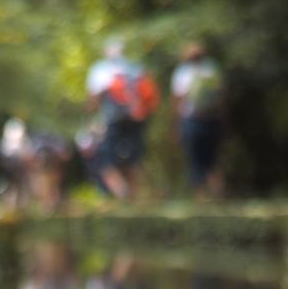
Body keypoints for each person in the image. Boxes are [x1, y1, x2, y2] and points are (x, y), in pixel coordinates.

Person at [85, 39, 158, 200]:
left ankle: (121, 191)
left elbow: (93, 102)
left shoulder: (100, 70)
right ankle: (135, 196)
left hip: (112, 121)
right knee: (133, 158)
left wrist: (91, 113)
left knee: (104, 160)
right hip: (136, 118)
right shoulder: (134, 68)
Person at [171, 42, 225, 198]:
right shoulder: (213, 69)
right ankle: (218, 193)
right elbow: (222, 98)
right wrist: (223, 120)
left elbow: (177, 100)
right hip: (213, 119)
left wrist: (175, 125)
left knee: (195, 160)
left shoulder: (182, 73)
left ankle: (200, 197)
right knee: (213, 159)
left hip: (191, 121)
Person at [0, 117, 35, 209]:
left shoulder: (7, 141)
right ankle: (11, 210)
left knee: (18, 190)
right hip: (13, 168)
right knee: (12, 189)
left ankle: (16, 210)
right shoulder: (9, 142)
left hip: (15, 167)